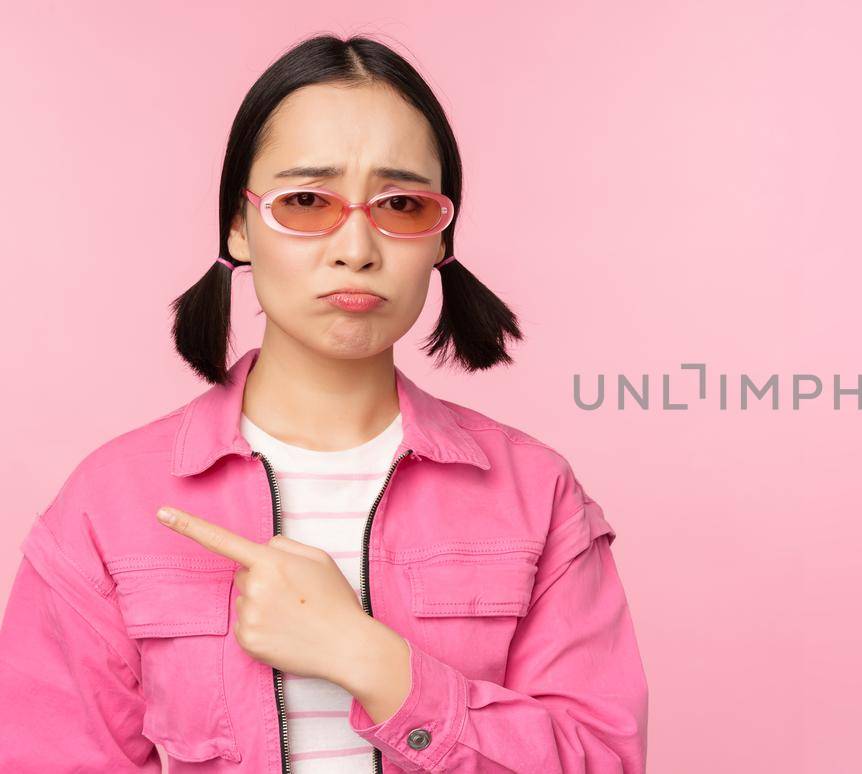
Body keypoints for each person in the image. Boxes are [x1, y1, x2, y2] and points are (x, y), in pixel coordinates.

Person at [0, 34, 648, 773]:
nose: (356, 247)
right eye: (306, 201)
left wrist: (369, 659)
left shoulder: (536, 493)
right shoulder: (110, 503)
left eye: (401, 203)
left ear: (441, 238)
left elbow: (603, 760)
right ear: (238, 227)